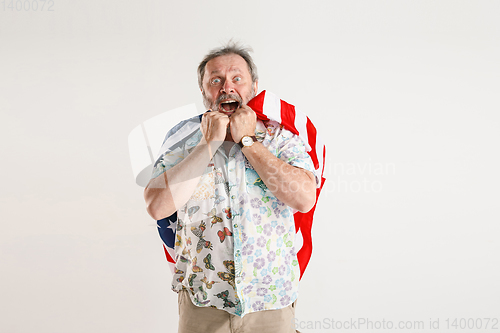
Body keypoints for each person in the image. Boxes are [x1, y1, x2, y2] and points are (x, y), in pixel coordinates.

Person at [144, 42, 318, 333]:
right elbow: (158, 206)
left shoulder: (281, 137)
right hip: (203, 303)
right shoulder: (182, 137)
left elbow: (303, 198)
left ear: (254, 86)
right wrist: (208, 144)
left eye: (237, 78)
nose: (227, 87)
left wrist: (248, 141)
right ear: (204, 92)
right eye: (216, 80)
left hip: (270, 302)